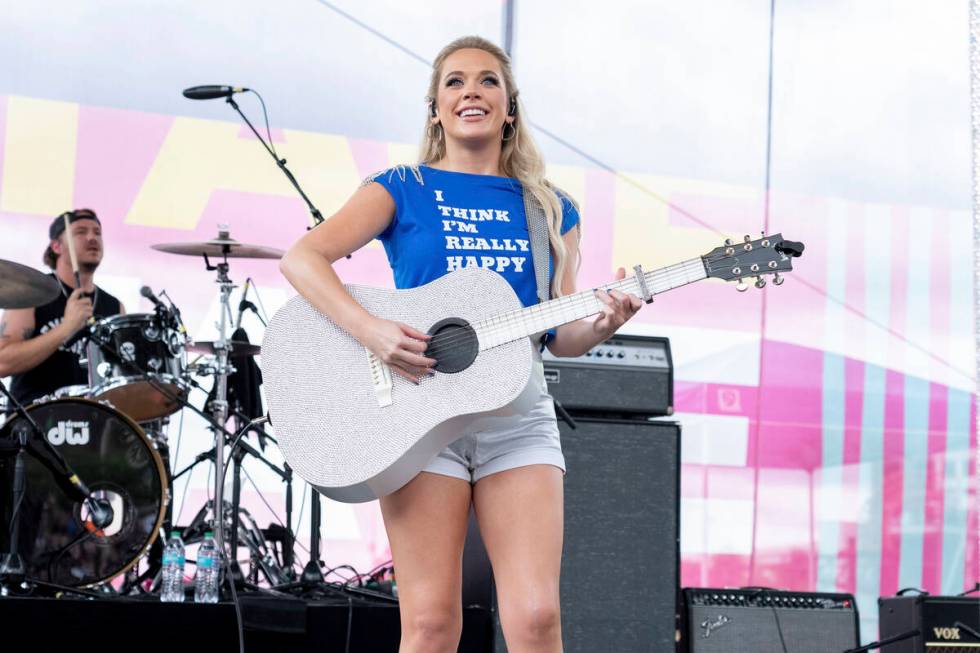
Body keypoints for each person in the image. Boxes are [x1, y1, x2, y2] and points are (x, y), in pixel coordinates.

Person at [280, 36, 642, 652]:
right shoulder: (401, 186)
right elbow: (303, 258)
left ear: (510, 108)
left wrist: (606, 321)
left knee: (535, 618)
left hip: (519, 417)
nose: (470, 90)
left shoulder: (551, 208)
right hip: (419, 417)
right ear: (435, 108)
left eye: (487, 81)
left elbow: (561, 334)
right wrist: (372, 330)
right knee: (430, 624)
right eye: (454, 81)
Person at [0, 209, 124, 406]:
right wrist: (66, 328)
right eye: (80, 232)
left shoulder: (114, 306)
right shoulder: (31, 294)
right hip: (35, 420)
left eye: (97, 232)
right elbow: (2, 362)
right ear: (56, 246)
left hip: (95, 420)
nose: (92, 238)